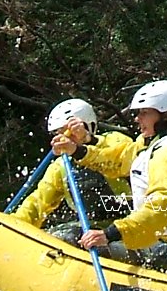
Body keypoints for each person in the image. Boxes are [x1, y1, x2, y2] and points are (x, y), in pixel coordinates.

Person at [76, 80, 167, 279]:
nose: (138, 119)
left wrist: (111, 234)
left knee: (82, 244)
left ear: (166, 114)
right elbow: (122, 160)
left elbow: (160, 207)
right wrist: (78, 151)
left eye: (144, 113)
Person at [12, 99, 133, 238]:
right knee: (59, 236)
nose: (63, 138)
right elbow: (38, 202)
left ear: (88, 126)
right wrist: (16, 223)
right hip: (91, 230)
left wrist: (87, 141)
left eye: (69, 132)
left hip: (126, 226)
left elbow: (118, 159)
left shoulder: (116, 140)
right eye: (58, 133)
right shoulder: (61, 166)